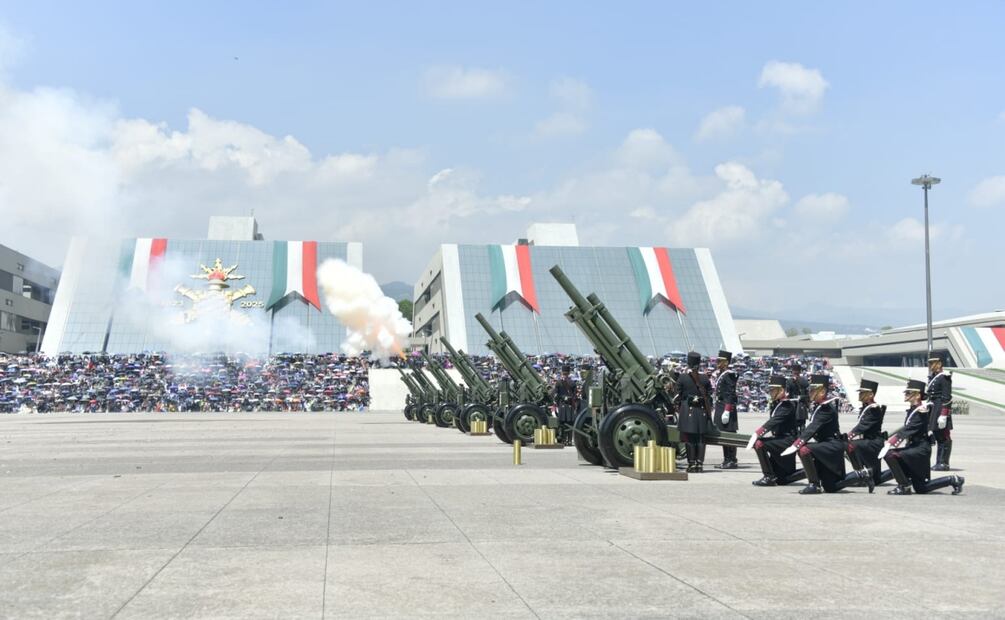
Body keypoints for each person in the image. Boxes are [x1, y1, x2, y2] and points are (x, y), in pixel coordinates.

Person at [789, 374, 873, 494]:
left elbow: (813, 427)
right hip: (826, 444)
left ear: (822, 391)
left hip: (831, 445)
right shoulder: (820, 406)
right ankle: (863, 474)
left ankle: (814, 484)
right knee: (831, 487)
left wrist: (798, 442)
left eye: (813, 389)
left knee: (804, 449)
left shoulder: (826, 408)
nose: (810, 392)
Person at [882, 379, 964, 495]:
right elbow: (908, 427)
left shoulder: (921, 411)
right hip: (914, 448)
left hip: (920, 450)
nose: (906, 395)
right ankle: (953, 479)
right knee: (921, 488)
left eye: (909, 393)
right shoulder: (913, 409)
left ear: (917, 395)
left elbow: (910, 428)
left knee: (890, 454)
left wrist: (892, 441)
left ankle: (904, 486)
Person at [750, 374, 805, 486]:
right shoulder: (778, 403)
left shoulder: (787, 405)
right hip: (780, 438)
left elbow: (773, 422)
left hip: (787, 440)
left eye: (774, 390)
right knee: (782, 479)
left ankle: (768, 476)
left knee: (759, 443)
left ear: (782, 390)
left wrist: (757, 433)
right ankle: (773, 475)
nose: (771, 392)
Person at [846, 378, 894, 488]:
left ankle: (863, 475)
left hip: (873, 441)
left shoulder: (874, 409)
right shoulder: (866, 408)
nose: (860, 395)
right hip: (868, 440)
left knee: (849, 445)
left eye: (863, 393)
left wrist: (849, 436)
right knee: (849, 446)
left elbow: (863, 426)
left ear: (871, 394)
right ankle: (864, 472)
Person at [675, 351, 712, 473]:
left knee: (689, 439)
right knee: (701, 439)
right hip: (701, 411)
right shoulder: (705, 378)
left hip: (688, 410)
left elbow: (678, 395)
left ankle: (691, 464)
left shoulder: (683, 378)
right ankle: (699, 464)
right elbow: (709, 395)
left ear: (688, 363)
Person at [711, 350, 739, 469]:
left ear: (726, 362)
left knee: (729, 435)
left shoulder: (729, 375)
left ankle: (731, 459)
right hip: (720, 406)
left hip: (725, 407)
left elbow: (730, 394)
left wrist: (727, 410)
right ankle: (726, 459)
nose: (717, 363)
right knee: (723, 435)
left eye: (720, 361)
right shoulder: (721, 374)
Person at [926, 352, 954, 470]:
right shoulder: (933, 377)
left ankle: (943, 463)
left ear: (940, 363)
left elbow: (947, 397)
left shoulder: (944, 377)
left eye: (933, 363)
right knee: (937, 435)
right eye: (930, 363)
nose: (931, 365)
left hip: (940, 407)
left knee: (943, 436)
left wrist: (943, 414)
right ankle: (939, 462)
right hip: (933, 407)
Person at [553, 365, 579, 444]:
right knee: (570, 423)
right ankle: (570, 440)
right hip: (570, 405)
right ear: (569, 373)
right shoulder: (572, 383)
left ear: (562, 372)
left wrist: (558, 403)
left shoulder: (558, 383)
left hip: (562, 404)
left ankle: (563, 440)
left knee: (562, 423)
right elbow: (575, 396)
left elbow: (555, 395)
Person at [786, 362, 810, 431]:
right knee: (802, 423)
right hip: (801, 402)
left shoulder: (789, 381)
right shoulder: (804, 380)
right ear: (800, 371)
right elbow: (807, 391)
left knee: (795, 423)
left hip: (793, 403)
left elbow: (788, 392)